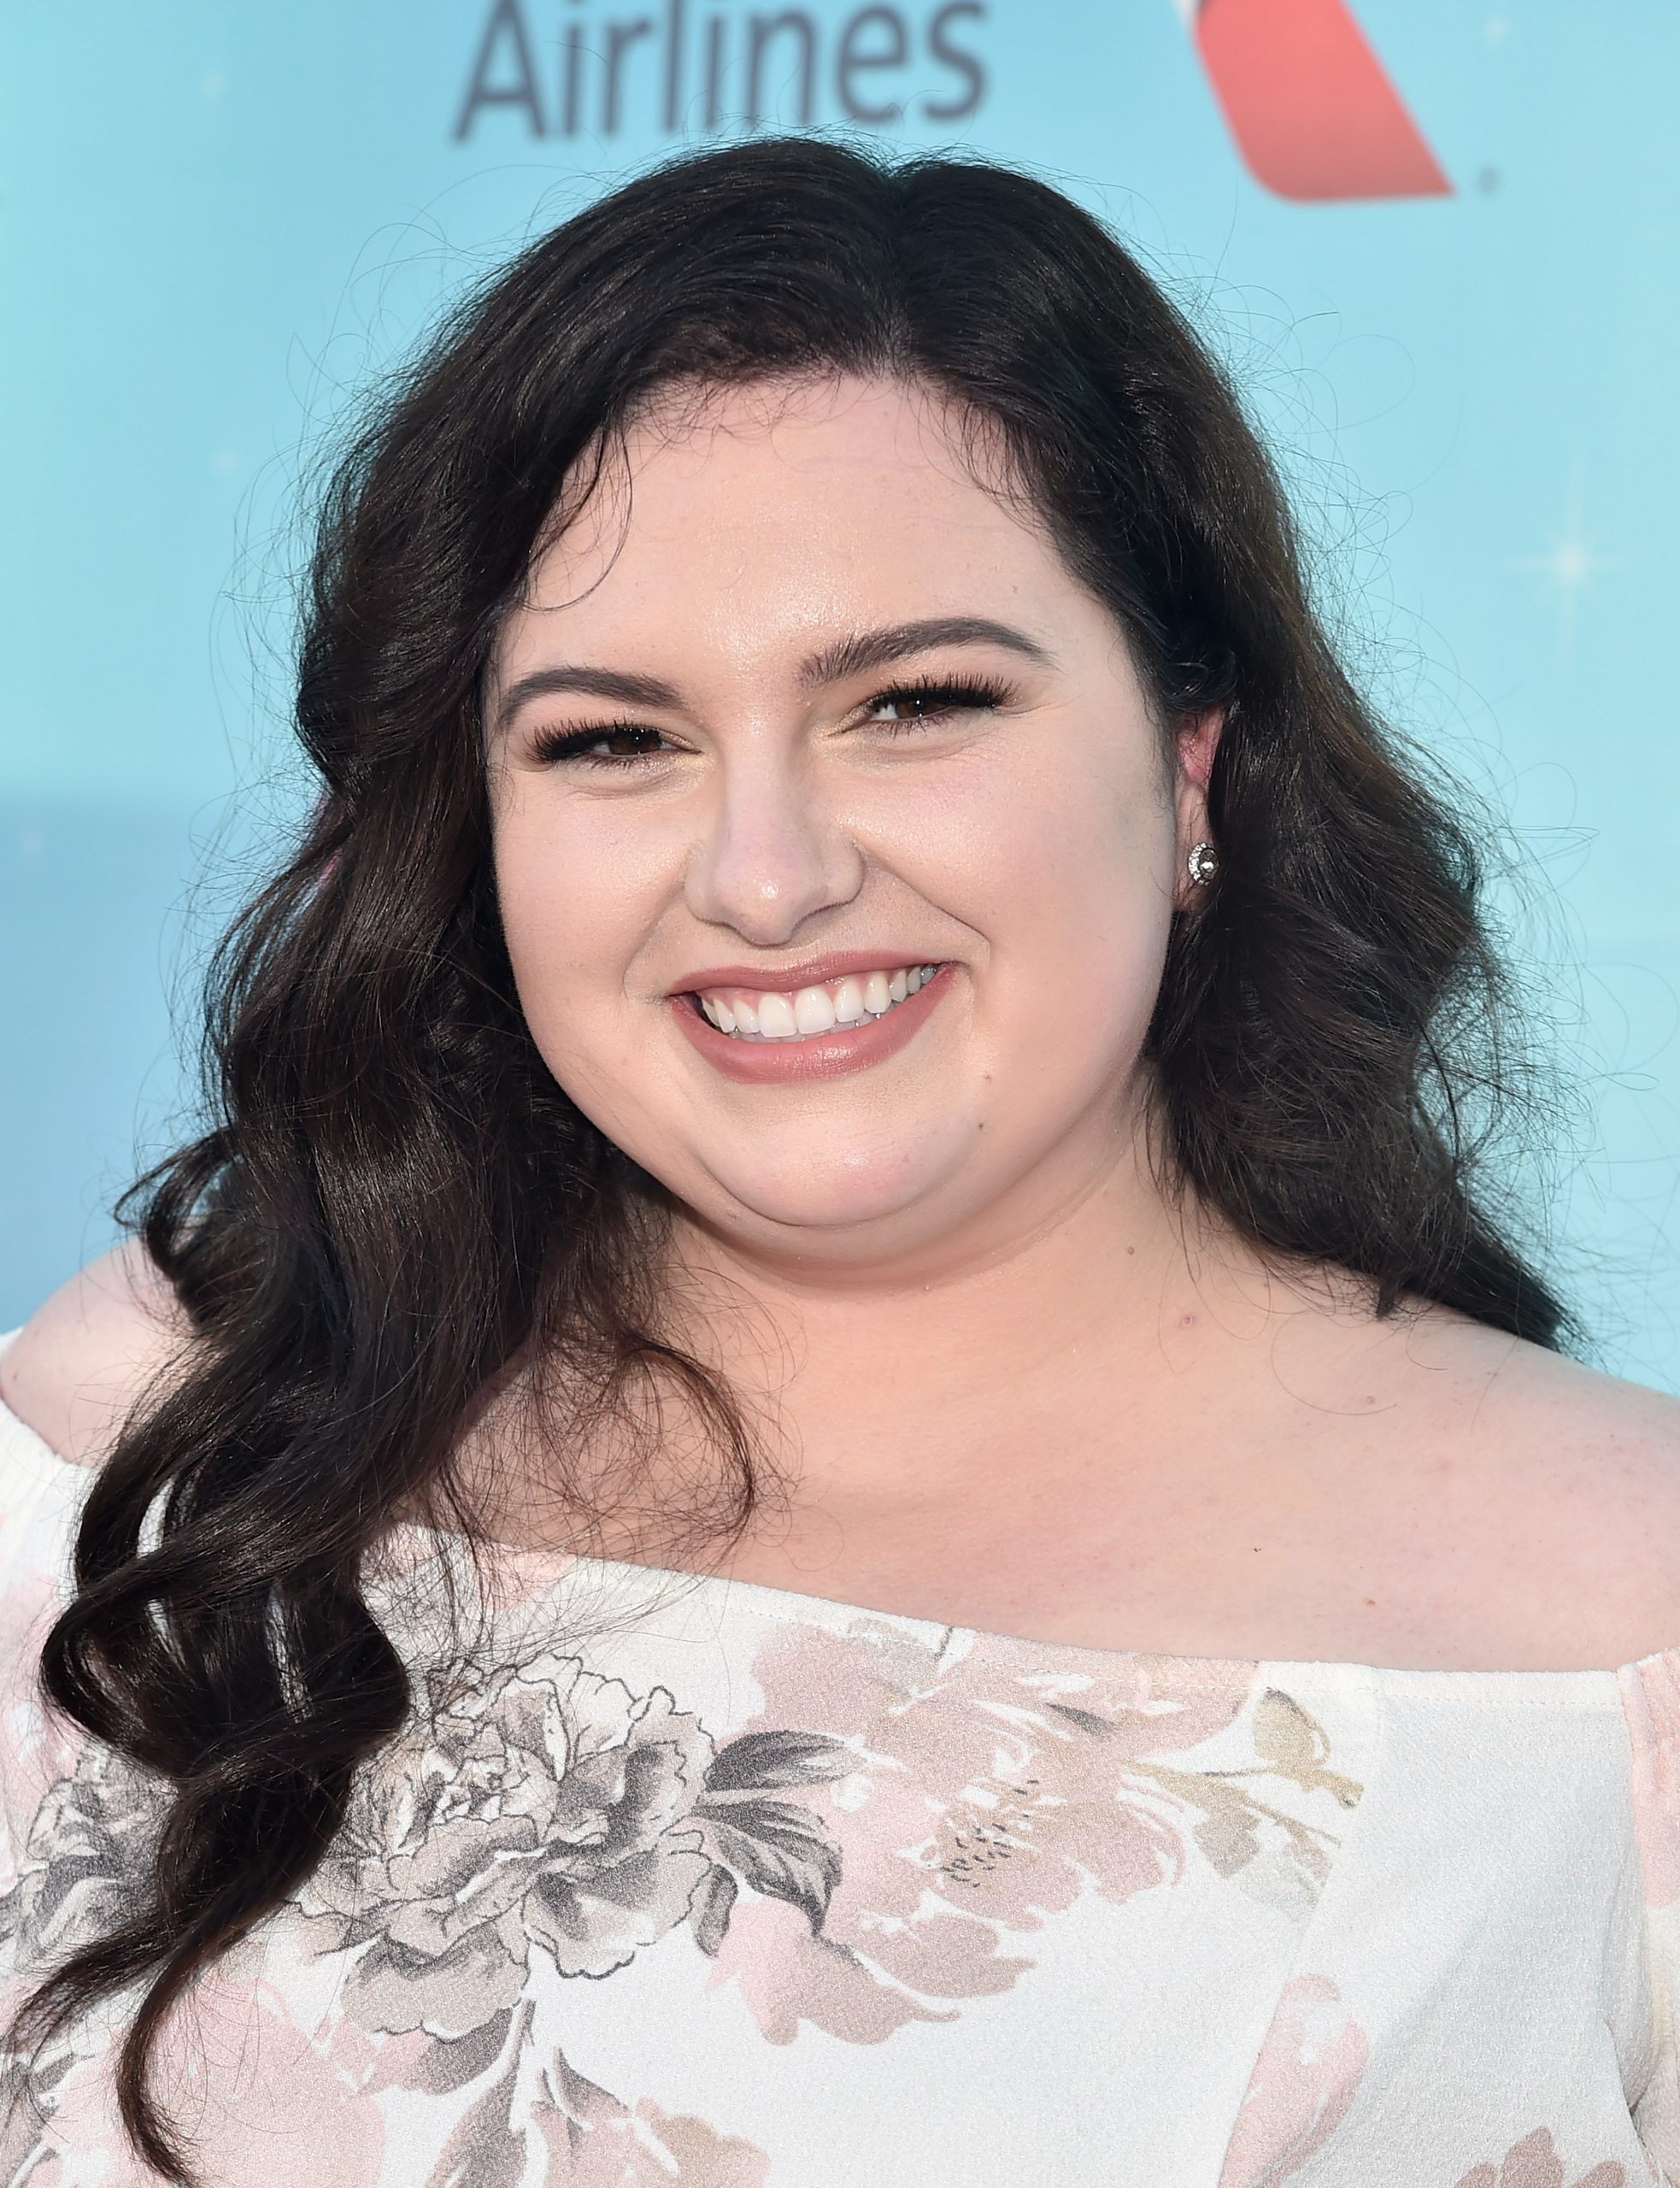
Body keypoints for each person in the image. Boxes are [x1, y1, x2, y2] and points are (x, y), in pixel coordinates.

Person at [1, 133, 1677, 2188]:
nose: (765, 874)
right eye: (611, 737)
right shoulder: (143, 1451)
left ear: (1188, 758)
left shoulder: (1618, 1617)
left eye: (911, 702)